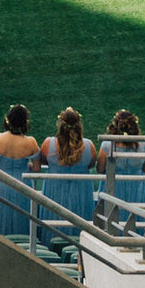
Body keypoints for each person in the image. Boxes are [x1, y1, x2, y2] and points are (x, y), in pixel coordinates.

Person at [33, 107, 97, 251]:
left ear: (60, 125)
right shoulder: (89, 145)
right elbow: (92, 164)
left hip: (54, 189)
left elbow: (43, 160)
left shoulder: (48, 143)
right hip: (81, 191)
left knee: (53, 221)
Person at [0, 105, 41, 242]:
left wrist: (0, 164)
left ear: (8, 120)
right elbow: (36, 169)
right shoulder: (31, 142)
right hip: (22, 185)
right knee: (22, 221)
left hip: (1, 183)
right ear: (25, 122)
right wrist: (24, 165)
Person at [98, 108, 145, 226]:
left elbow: (100, 169)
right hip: (136, 186)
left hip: (113, 186)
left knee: (112, 219)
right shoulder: (143, 144)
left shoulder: (107, 144)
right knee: (135, 219)